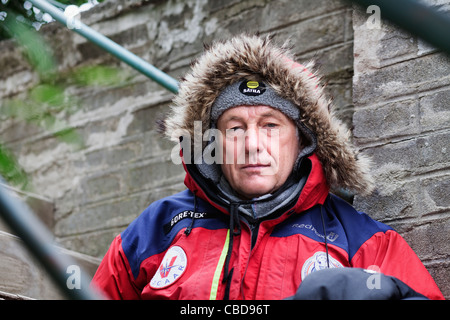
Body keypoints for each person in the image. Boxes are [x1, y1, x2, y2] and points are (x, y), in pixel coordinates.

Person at [91, 34, 444, 300]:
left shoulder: (366, 243)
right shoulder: (156, 229)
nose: (252, 144)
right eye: (235, 128)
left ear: (303, 139)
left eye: (271, 125)